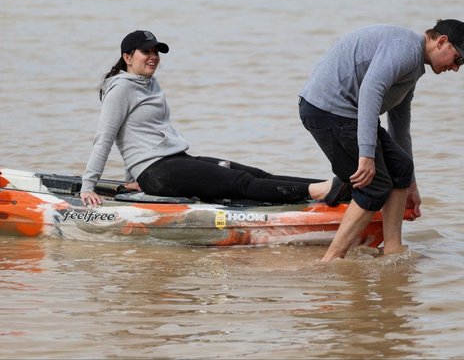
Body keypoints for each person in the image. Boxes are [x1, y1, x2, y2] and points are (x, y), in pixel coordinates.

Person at [80, 30, 349, 208]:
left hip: (174, 163)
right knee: (242, 184)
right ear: (127, 57)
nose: (153, 57)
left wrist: (132, 175)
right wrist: (88, 186)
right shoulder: (121, 89)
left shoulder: (150, 84)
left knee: (255, 174)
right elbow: (105, 137)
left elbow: (143, 133)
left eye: (156, 52)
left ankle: (330, 188)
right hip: (159, 172)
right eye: (146, 52)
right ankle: (321, 190)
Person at [299, 19, 464, 261]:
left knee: (401, 167)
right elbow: (370, 91)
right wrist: (366, 155)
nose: (457, 68)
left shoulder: (414, 63)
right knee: (375, 186)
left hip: (346, 114)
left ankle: (393, 249)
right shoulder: (406, 50)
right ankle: (331, 260)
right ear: (442, 42)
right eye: (458, 59)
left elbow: (400, 125)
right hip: (327, 110)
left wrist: (411, 185)